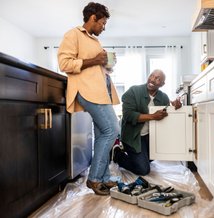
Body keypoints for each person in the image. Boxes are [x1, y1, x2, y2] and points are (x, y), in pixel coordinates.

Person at [57, 2, 120, 195]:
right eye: (102, 22)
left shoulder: (94, 40)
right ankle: (93, 179)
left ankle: (103, 178)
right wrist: (95, 60)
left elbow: (96, 66)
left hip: (100, 91)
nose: (104, 26)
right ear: (93, 18)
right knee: (113, 130)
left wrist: (107, 65)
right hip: (87, 91)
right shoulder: (73, 34)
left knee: (103, 134)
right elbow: (64, 63)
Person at [113, 69, 182, 176]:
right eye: (152, 76)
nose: (153, 80)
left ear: (162, 84)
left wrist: (175, 106)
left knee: (152, 156)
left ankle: (140, 157)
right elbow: (128, 115)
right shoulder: (133, 91)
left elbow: (168, 109)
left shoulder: (163, 97)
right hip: (133, 137)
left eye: (158, 79)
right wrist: (153, 116)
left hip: (149, 137)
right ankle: (117, 155)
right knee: (143, 170)